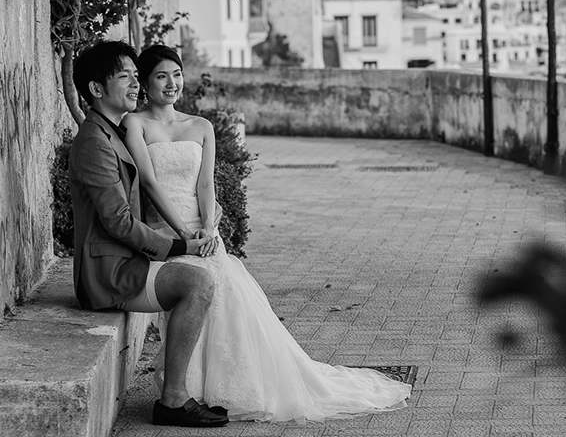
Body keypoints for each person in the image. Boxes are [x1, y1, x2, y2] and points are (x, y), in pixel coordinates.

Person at [121, 44, 411, 423]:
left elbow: (206, 185)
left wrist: (209, 227)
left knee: (229, 293)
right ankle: (186, 391)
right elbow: (151, 184)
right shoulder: (136, 124)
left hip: (205, 232)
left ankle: (219, 389)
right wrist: (184, 234)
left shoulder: (200, 126)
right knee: (205, 288)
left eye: (177, 75)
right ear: (145, 81)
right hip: (168, 231)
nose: (172, 83)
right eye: (161, 76)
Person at [68, 40, 229, 428]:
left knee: (208, 278)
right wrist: (179, 245)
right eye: (125, 77)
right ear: (96, 89)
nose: (136, 85)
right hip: (110, 272)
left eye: (136, 77)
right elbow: (118, 222)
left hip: (125, 260)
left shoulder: (111, 132)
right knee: (198, 283)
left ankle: (193, 388)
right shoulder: (95, 141)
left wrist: (208, 217)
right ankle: (172, 399)